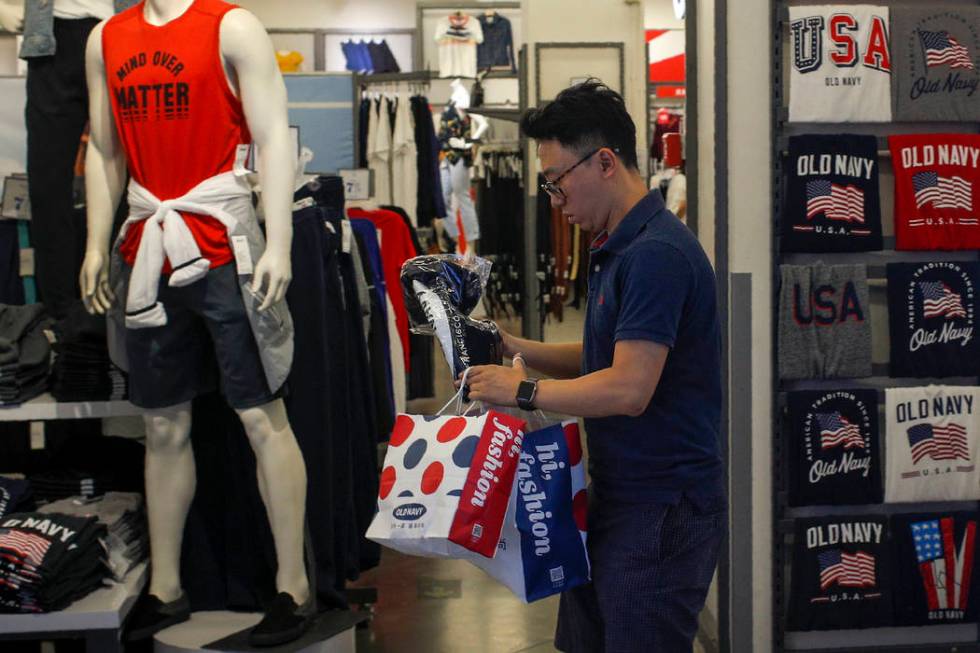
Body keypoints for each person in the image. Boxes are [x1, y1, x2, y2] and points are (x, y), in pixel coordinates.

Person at [463, 80, 726, 652]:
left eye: (556, 183)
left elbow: (629, 387)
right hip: (616, 494)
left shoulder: (656, 254)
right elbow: (603, 359)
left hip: (661, 508)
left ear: (604, 161)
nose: (556, 202)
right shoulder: (618, 246)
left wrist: (524, 389)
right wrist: (514, 344)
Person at [81, 0, 312, 645]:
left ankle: (293, 586)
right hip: (146, 243)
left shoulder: (231, 26)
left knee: (262, 415)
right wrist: (97, 245)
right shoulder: (107, 39)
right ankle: (166, 587)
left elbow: (272, 138)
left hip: (223, 243)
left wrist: (280, 241)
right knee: (161, 422)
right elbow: (104, 150)